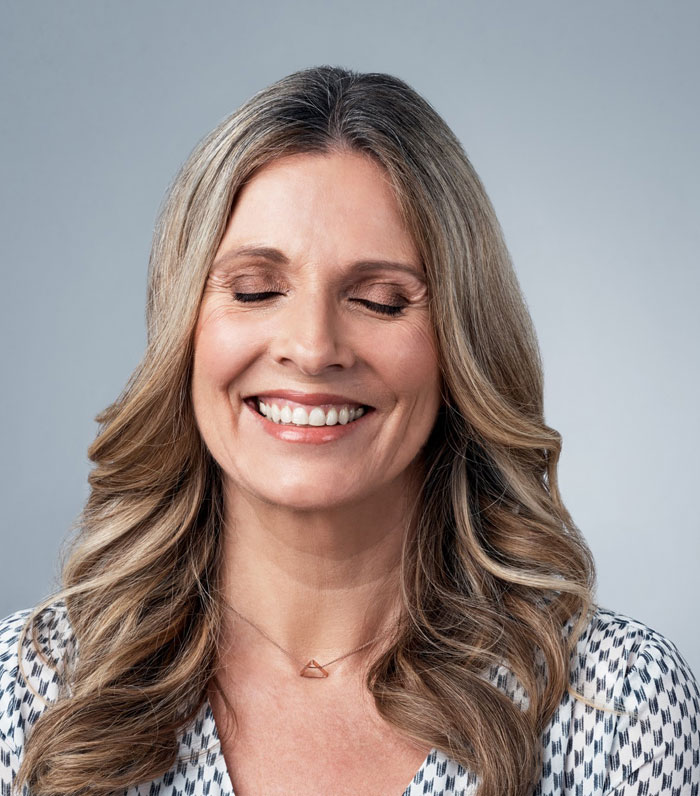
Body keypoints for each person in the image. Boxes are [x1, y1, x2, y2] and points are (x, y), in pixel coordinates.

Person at [1, 65, 698, 796]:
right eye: (256, 290)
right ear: (184, 329)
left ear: (460, 344)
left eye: (380, 299)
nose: (312, 347)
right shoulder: (31, 690)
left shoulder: (620, 708)